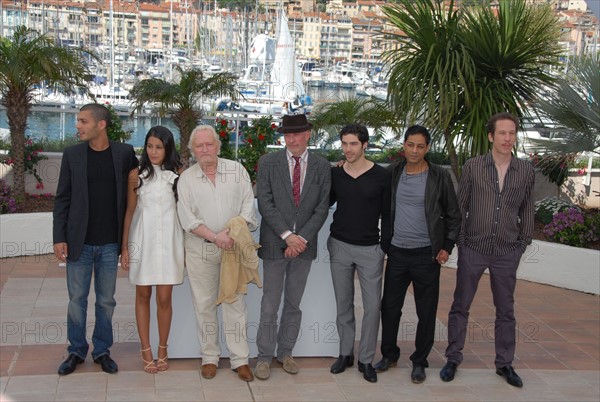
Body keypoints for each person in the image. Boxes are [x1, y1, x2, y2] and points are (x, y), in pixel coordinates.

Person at [440, 112, 535, 388]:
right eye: (502, 133)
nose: (508, 139)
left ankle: (504, 363)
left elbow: (527, 208)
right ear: (491, 136)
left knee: (505, 310)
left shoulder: (526, 170)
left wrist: (522, 242)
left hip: (507, 250)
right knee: (461, 306)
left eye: (512, 134)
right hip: (474, 248)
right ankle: (453, 358)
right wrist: (461, 242)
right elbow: (461, 205)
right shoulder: (473, 166)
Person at [53, 103, 139, 375]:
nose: (77, 125)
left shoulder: (125, 153)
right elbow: (62, 199)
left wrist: (125, 244)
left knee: (106, 301)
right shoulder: (72, 155)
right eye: (78, 121)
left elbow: (136, 193)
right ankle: (76, 350)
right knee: (76, 300)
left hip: (109, 244)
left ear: (101, 124)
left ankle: (102, 350)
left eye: (82, 121)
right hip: (79, 241)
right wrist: (59, 237)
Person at [373, 125, 461, 384]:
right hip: (398, 253)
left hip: (427, 255)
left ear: (428, 148)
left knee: (426, 311)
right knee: (389, 308)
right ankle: (389, 355)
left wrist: (446, 247)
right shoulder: (393, 173)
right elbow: (368, 180)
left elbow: (454, 217)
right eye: (410, 145)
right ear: (404, 145)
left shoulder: (439, 177)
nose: (414, 150)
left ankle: (419, 361)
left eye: (420, 146)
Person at [177, 125, 257, 382]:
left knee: (235, 304)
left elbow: (248, 206)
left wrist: (232, 234)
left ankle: (240, 360)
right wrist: (215, 236)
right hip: (200, 250)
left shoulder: (237, 171)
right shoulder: (186, 179)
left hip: (233, 249)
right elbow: (187, 218)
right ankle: (210, 357)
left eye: (208, 144)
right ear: (193, 150)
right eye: (198, 146)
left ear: (217, 146)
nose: (204, 150)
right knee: (204, 305)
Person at [254, 114, 331, 380]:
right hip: (275, 243)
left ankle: (285, 352)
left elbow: (322, 208)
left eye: (297, 134)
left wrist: (301, 239)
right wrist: (288, 236)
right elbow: (265, 203)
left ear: (308, 134)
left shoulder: (322, 166)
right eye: (287, 134)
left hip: (304, 247)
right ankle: (263, 357)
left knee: (293, 304)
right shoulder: (267, 163)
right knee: (269, 304)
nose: (291, 139)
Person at [327, 124, 391, 383]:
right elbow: (324, 202)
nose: (348, 149)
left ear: (365, 144)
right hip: (340, 245)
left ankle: (366, 359)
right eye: (344, 143)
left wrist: (383, 247)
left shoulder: (381, 176)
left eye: (353, 144)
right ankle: (345, 354)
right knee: (344, 304)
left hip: (370, 249)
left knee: (373, 306)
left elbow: (388, 214)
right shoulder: (337, 174)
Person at [120, 126, 184, 374]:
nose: (154, 151)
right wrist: (125, 247)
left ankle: (163, 348)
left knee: (165, 298)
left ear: (167, 148)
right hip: (142, 241)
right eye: (150, 146)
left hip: (170, 241)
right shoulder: (136, 175)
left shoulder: (179, 174)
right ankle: (145, 349)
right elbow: (129, 212)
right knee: (143, 295)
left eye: (159, 147)